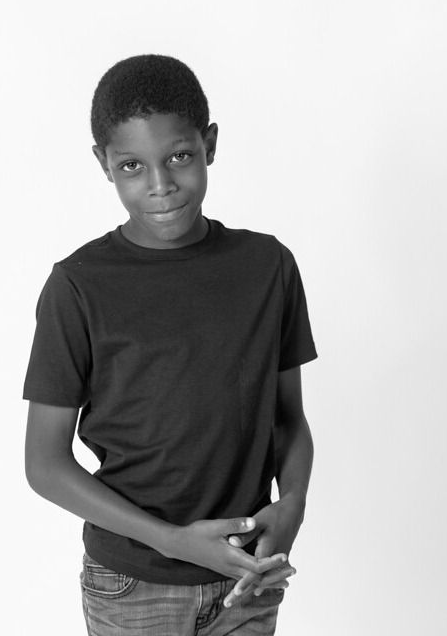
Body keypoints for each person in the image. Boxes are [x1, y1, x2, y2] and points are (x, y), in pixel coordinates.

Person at [22, 54, 318, 635]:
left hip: (247, 576)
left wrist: (293, 507)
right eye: (132, 166)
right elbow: (44, 463)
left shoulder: (268, 267)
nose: (160, 185)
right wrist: (172, 540)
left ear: (210, 144)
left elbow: (288, 419)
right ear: (104, 165)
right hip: (132, 585)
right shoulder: (78, 286)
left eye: (179, 156)